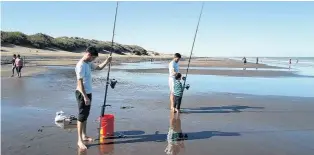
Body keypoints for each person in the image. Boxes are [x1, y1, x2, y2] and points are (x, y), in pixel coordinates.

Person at [75, 46, 112, 150]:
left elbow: (98, 68)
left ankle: (84, 135)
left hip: (88, 93)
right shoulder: (81, 65)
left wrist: (107, 61)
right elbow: (79, 83)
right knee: (81, 117)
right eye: (93, 58)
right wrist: (85, 97)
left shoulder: (88, 63)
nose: (94, 60)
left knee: (85, 115)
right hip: (82, 94)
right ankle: (79, 140)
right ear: (89, 55)